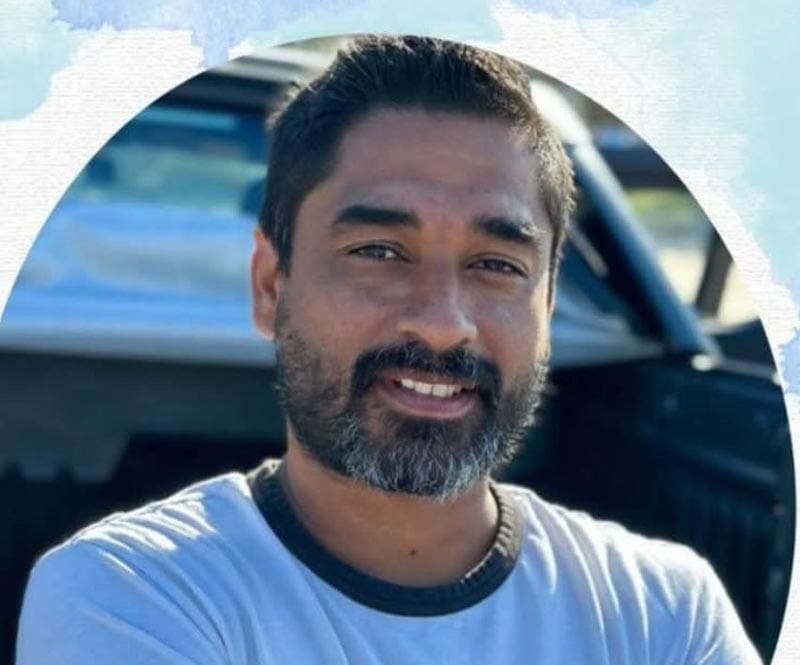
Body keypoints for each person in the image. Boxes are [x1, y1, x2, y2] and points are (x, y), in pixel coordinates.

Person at [16, 35, 761, 665]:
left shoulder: (665, 611)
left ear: (547, 304)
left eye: (496, 264)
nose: (442, 324)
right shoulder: (128, 593)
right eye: (379, 250)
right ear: (271, 286)